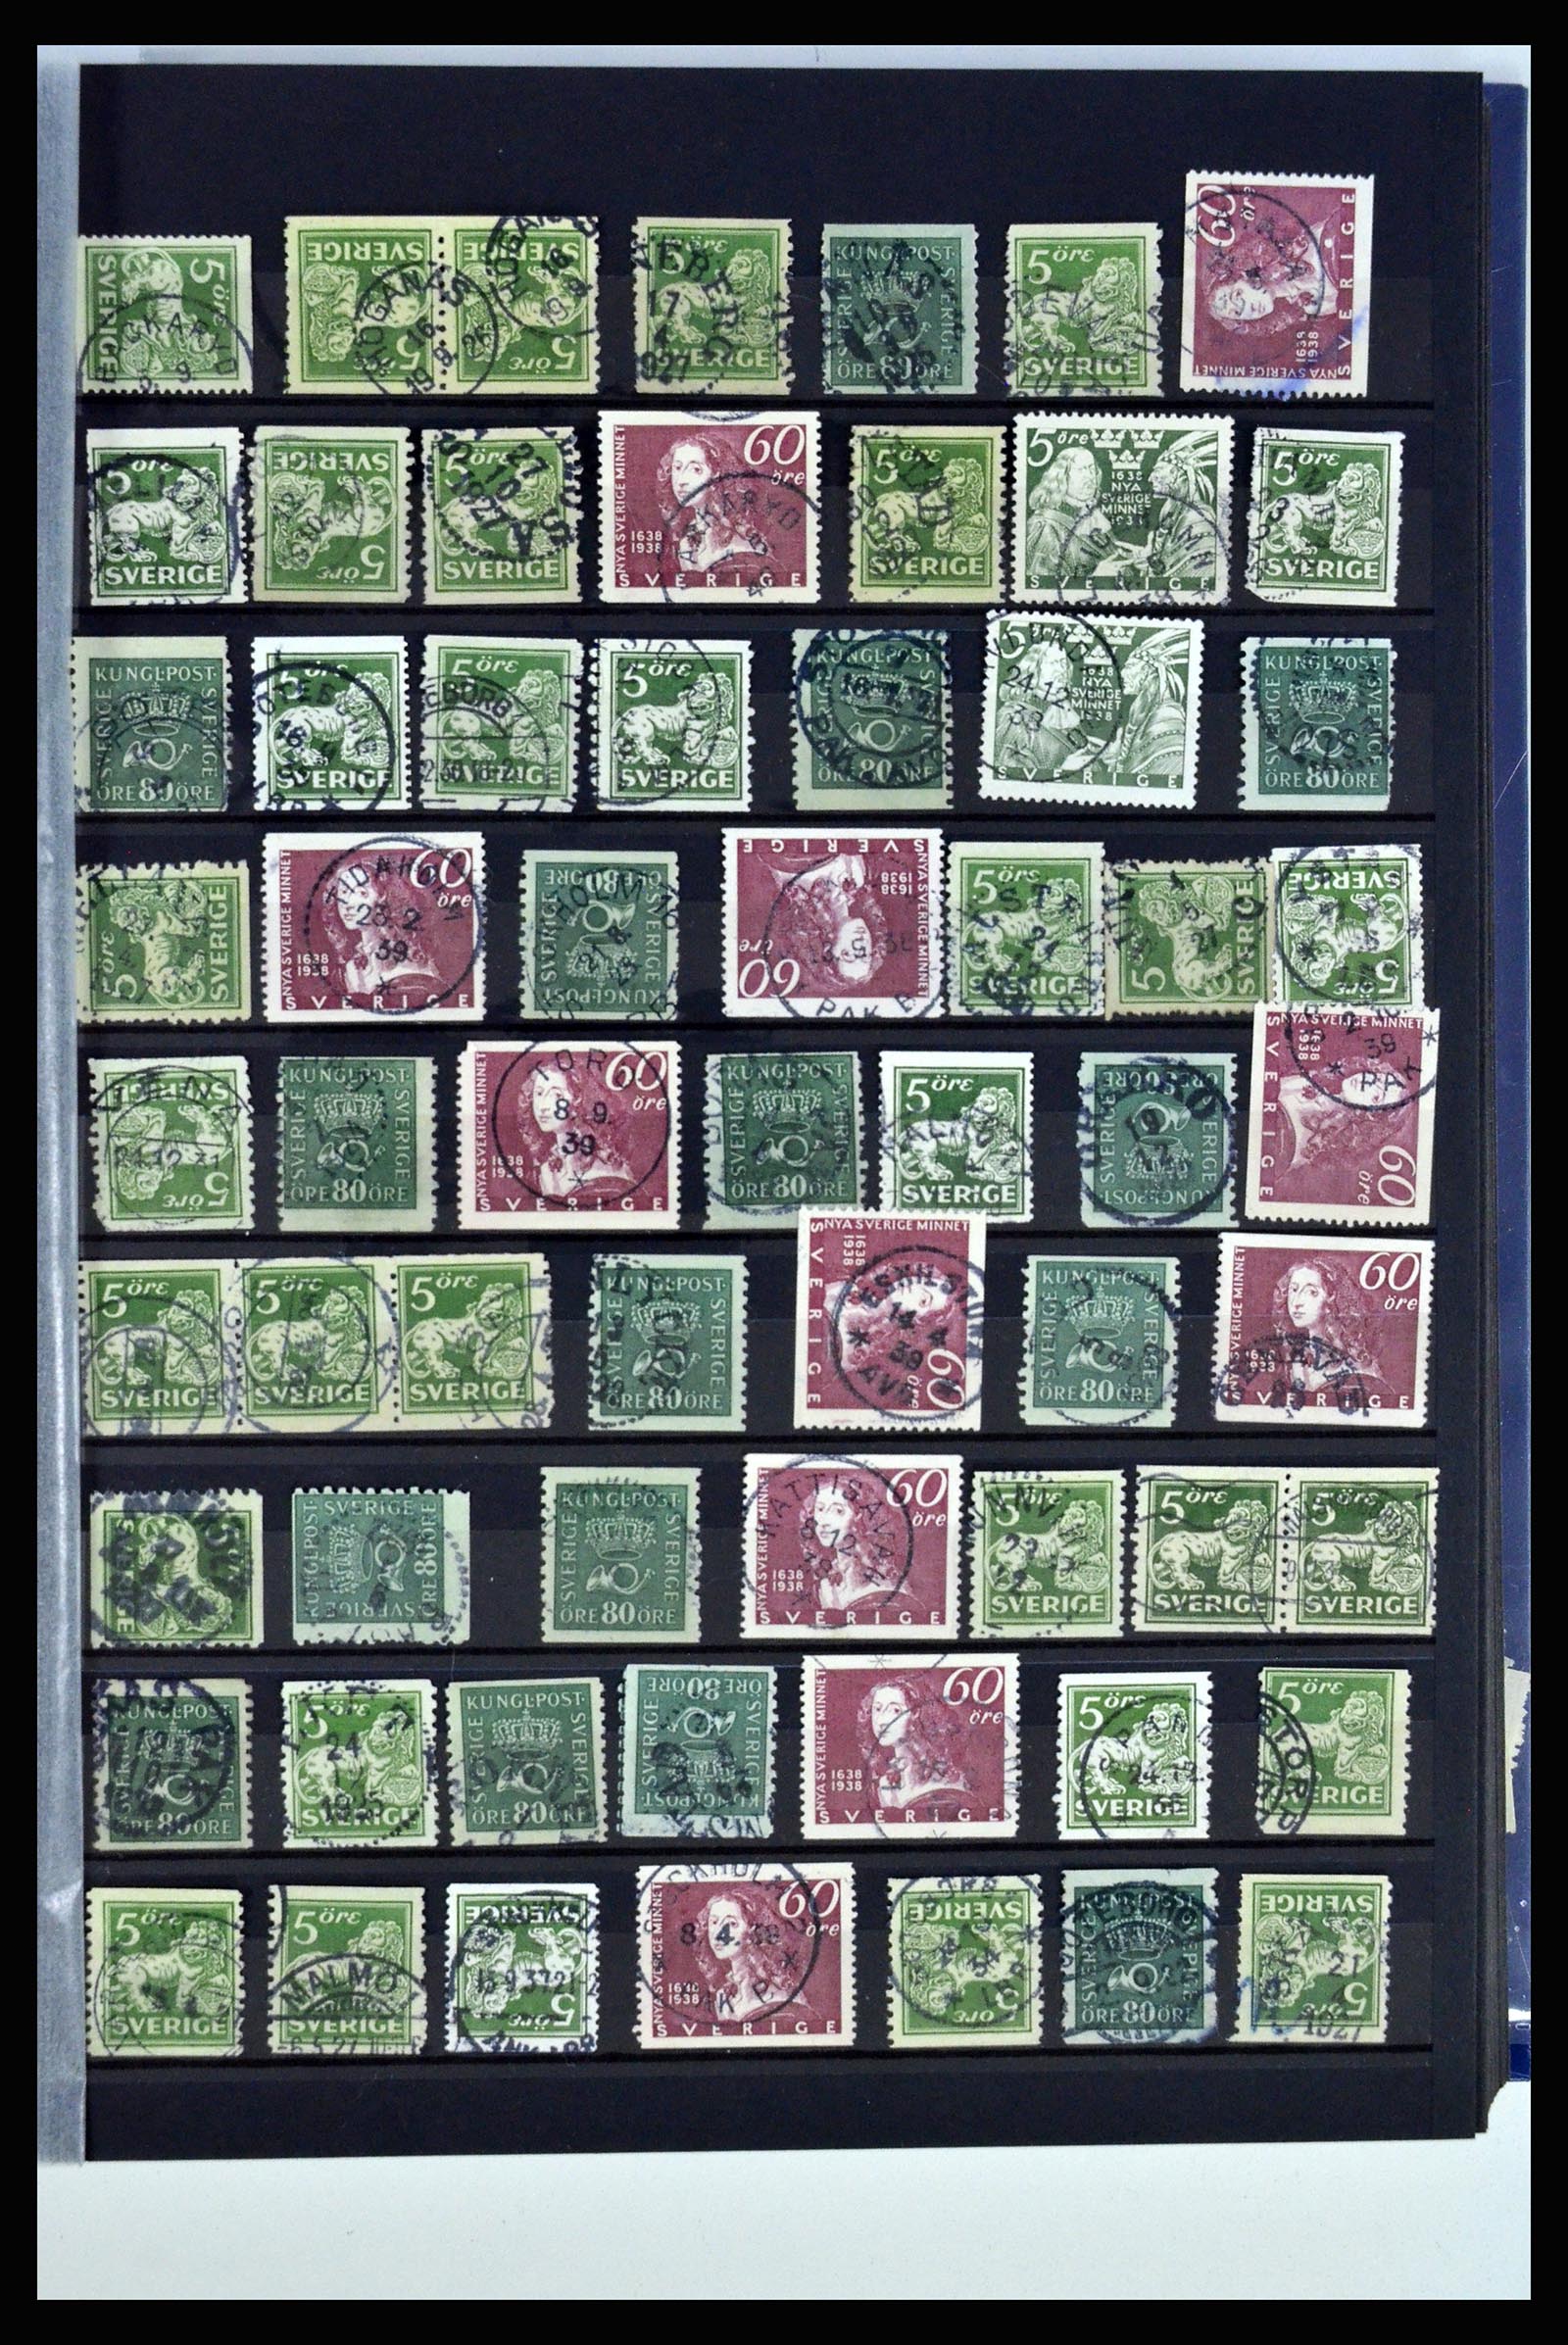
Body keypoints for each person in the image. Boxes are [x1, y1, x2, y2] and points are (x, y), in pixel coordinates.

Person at [858, 1676, 971, 1811]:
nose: (881, 1721)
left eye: (895, 1710)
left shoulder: (946, 1787)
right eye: (877, 1709)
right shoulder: (882, 1786)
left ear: (916, 1713)